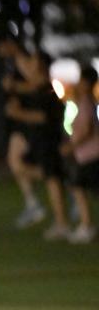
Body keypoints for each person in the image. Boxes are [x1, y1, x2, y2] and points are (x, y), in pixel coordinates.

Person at [4, 49, 70, 239]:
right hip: (38, 141)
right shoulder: (37, 88)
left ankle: (62, 223)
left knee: (52, 178)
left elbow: (44, 117)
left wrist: (18, 114)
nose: (28, 66)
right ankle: (61, 214)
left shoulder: (47, 91)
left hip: (48, 140)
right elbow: (25, 88)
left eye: (32, 62)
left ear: (40, 66)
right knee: (40, 173)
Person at [62, 66, 99, 243]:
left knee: (79, 186)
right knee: (80, 187)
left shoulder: (87, 103)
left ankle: (86, 225)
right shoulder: (86, 101)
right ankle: (86, 225)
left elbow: (86, 130)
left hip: (90, 155)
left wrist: (71, 146)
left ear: (86, 82)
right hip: (87, 155)